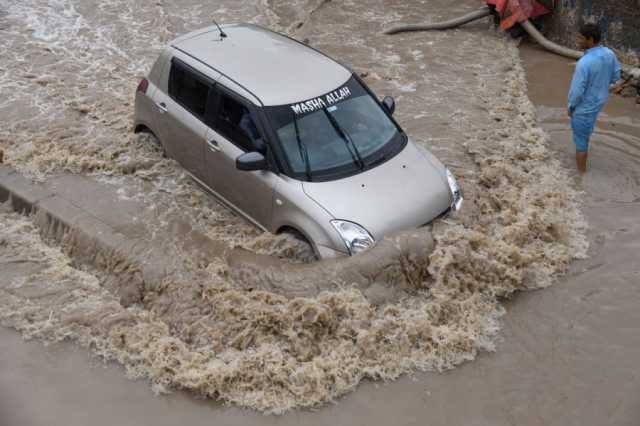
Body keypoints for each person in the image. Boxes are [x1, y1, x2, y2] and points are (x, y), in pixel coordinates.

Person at [568, 23, 621, 174]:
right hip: (599, 102)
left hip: (583, 107)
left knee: (580, 144)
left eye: (580, 38)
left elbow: (577, 92)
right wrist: (599, 84)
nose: (577, 40)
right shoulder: (609, 53)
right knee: (585, 133)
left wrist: (571, 107)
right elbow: (615, 76)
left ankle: (580, 176)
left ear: (590, 40)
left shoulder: (583, 63)